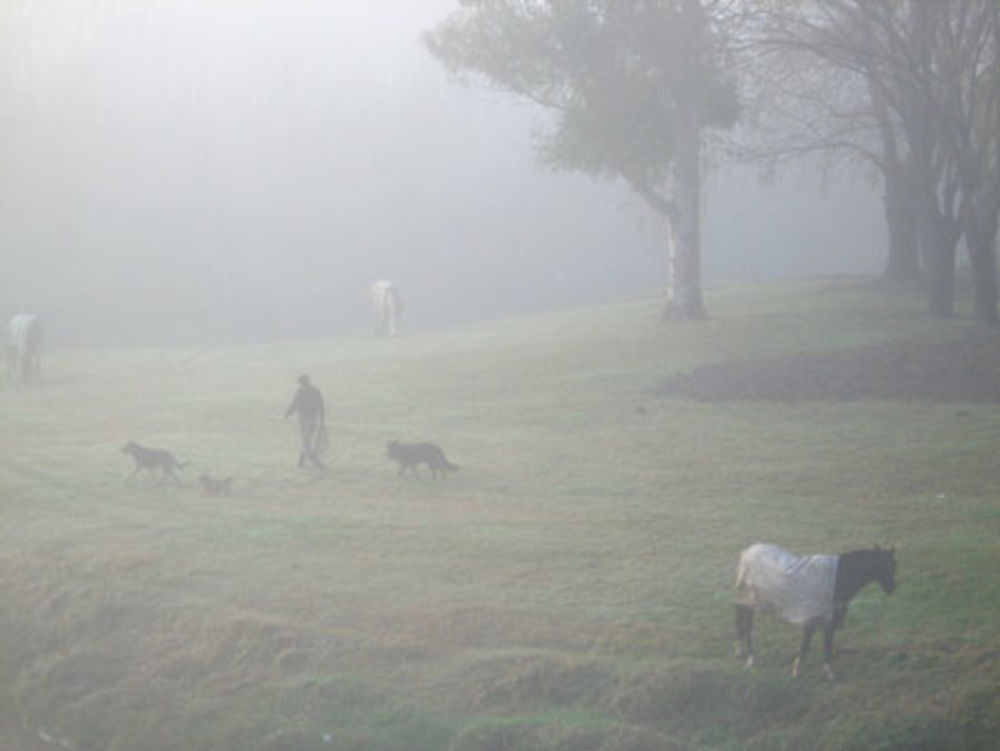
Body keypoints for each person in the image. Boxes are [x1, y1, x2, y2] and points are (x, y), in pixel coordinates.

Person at [284, 374, 326, 469]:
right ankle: (302, 462)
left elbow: (295, 404)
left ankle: (312, 460)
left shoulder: (303, 391)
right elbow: (321, 405)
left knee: (305, 440)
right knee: (306, 439)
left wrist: (288, 413)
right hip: (309, 417)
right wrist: (322, 418)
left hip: (306, 418)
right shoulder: (313, 391)